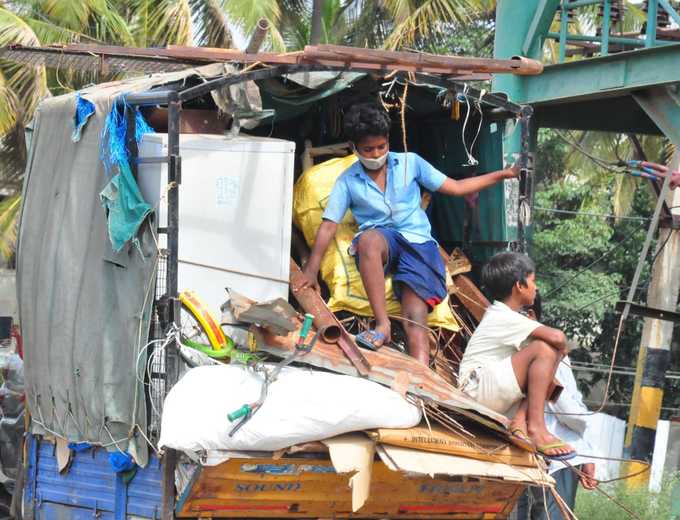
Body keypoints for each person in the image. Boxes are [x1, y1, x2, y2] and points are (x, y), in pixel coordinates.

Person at [299, 102, 518, 365]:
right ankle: (382, 326)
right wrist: (311, 269)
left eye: (381, 146)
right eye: (368, 149)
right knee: (368, 241)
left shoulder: (411, 163)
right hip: (382, 240)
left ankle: (421, 381)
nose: (376, 153)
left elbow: (457, 187)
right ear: (354, 147)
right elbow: (328, 225)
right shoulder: (348, 180)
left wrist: (504, 174)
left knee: (415, 316)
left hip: (419, 244)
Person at [458, 252, 576, 460]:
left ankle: (521, 420)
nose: (536, 287)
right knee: (544, 349)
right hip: (475, 389)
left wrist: (558, 349)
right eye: (533, 281)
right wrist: (559, 346)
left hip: (489, 390)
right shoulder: (501, 315)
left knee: (549, 351)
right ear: (519, 286)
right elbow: (557, 337)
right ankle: (536, 428)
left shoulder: (507, 316)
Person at [513, 297, 597, 519]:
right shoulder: (544, 352)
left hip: (535, 457)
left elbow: (571, 410)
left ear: (529, 315)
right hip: (545, 454)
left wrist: (586, 455)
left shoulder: (537, 351)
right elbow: (573, 413)